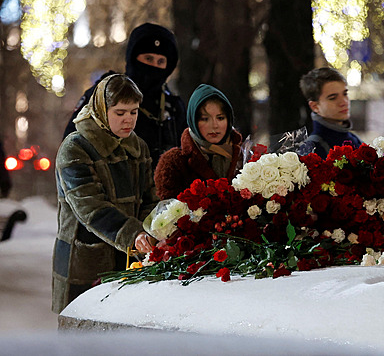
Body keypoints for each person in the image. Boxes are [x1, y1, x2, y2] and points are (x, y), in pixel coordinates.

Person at [52, 74, 160, 314]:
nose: (128, 120)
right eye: (120, 113)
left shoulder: (137, 146)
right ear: (102, 109)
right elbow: (91, 208)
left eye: (133, 112)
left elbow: (148, 199)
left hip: (131, 257)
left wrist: (155, 229)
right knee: (84, 337)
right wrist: (135, 234)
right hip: (85, 260)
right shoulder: (76, 148)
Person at [63, 23, 186, 169]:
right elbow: (72, 147)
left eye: (160, 62)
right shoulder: (105, 93)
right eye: (148, 58)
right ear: (134, 58)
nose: (154, 66)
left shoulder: (171, 107)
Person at [154, 84, 243, 200]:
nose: (214, 126)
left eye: (220, 118)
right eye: (205, 119)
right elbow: (167, 211)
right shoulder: (174, 162)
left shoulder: (244, 157)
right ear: (193, 121)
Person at [299, 67, 362, 159]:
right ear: (315, 106)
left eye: (345, 94)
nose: (344, 102)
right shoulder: (313, 149)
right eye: (333, 98)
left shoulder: (354, 139)